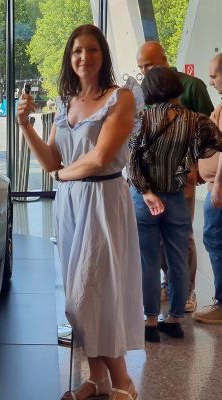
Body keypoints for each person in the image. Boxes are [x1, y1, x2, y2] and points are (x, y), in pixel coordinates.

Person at [17, 24, 143, 400]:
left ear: (103, 55)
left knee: (92, 294)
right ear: (69, 58)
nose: (83, 57)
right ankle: (97, 377)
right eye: (77, 51)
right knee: (78, 294)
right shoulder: (67, 103)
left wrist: (62, 175)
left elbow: (100, 158)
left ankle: (124, 381)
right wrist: (25, 126)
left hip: (103, 201)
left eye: (91, 49)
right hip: (70, 204)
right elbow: (50, 160)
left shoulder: (120, 98)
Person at [128, 67, 222, 343]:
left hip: (145, 200)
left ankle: (149, 321)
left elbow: (131, 163)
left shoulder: (141, 119)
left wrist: (147, 192)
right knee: (178, 259)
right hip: (177, 197)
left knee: (147, 259)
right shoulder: (195, 120)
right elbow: (216, 145)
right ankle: (175, 319)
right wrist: (192, 163)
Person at [136, 42, 214, 312]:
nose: (144, 71)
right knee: (156, 240)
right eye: (141, 67)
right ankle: (169, 286)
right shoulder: (143, 92)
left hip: (181, 178)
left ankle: (186, 291)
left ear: (164, 59)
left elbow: (207, 128)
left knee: (181, 237)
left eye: (148, 65)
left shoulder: (192, 86)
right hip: (153, 180)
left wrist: (198, 168)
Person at [193, 53, 222, 323]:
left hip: (219, 190)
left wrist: (218, 183)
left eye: (214, 76)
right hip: (214, 184)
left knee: (215, 240)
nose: (211, 81)